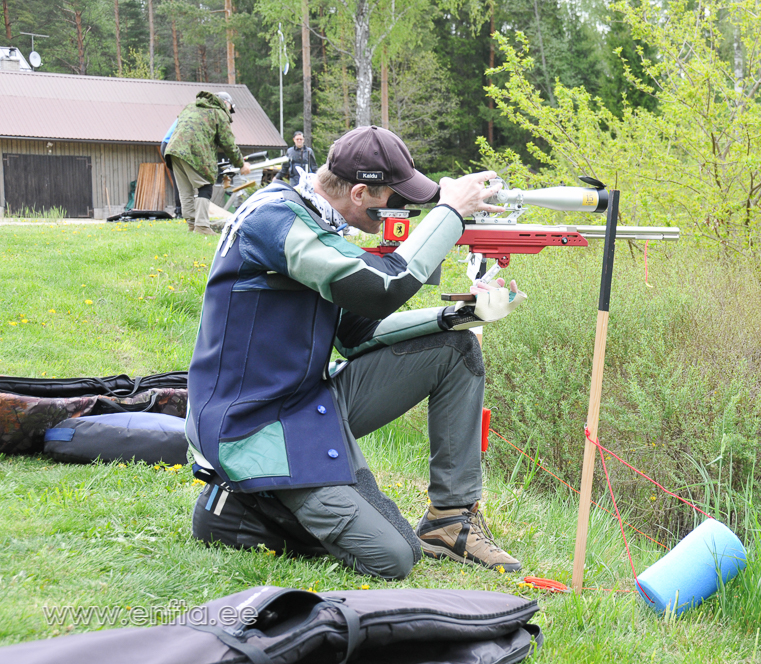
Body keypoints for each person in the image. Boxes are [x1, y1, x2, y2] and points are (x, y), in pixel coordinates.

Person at [186, 125, 526, 580]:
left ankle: (450, 521)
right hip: (254, 427)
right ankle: (238, 508)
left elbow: (356, 330)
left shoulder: (314, 219)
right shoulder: (273, 219)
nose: (400, 210)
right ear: (362, 191)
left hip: (304, 403)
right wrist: (449, 215)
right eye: (395, 198)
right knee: (394, 557)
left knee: (455, 349)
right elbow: (382, 287)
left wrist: (459, 317)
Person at [165, 91, 250, 235]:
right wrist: (241, 164)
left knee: (186, 190)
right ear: (225, 103)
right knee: (205, 186)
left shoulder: (191, 106)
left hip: (173, 150)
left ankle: (192, 225)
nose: (229, 111)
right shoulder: (219, 113)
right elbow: (228, 144)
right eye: (230, 108)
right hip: (193, 151)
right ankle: (202, 227)